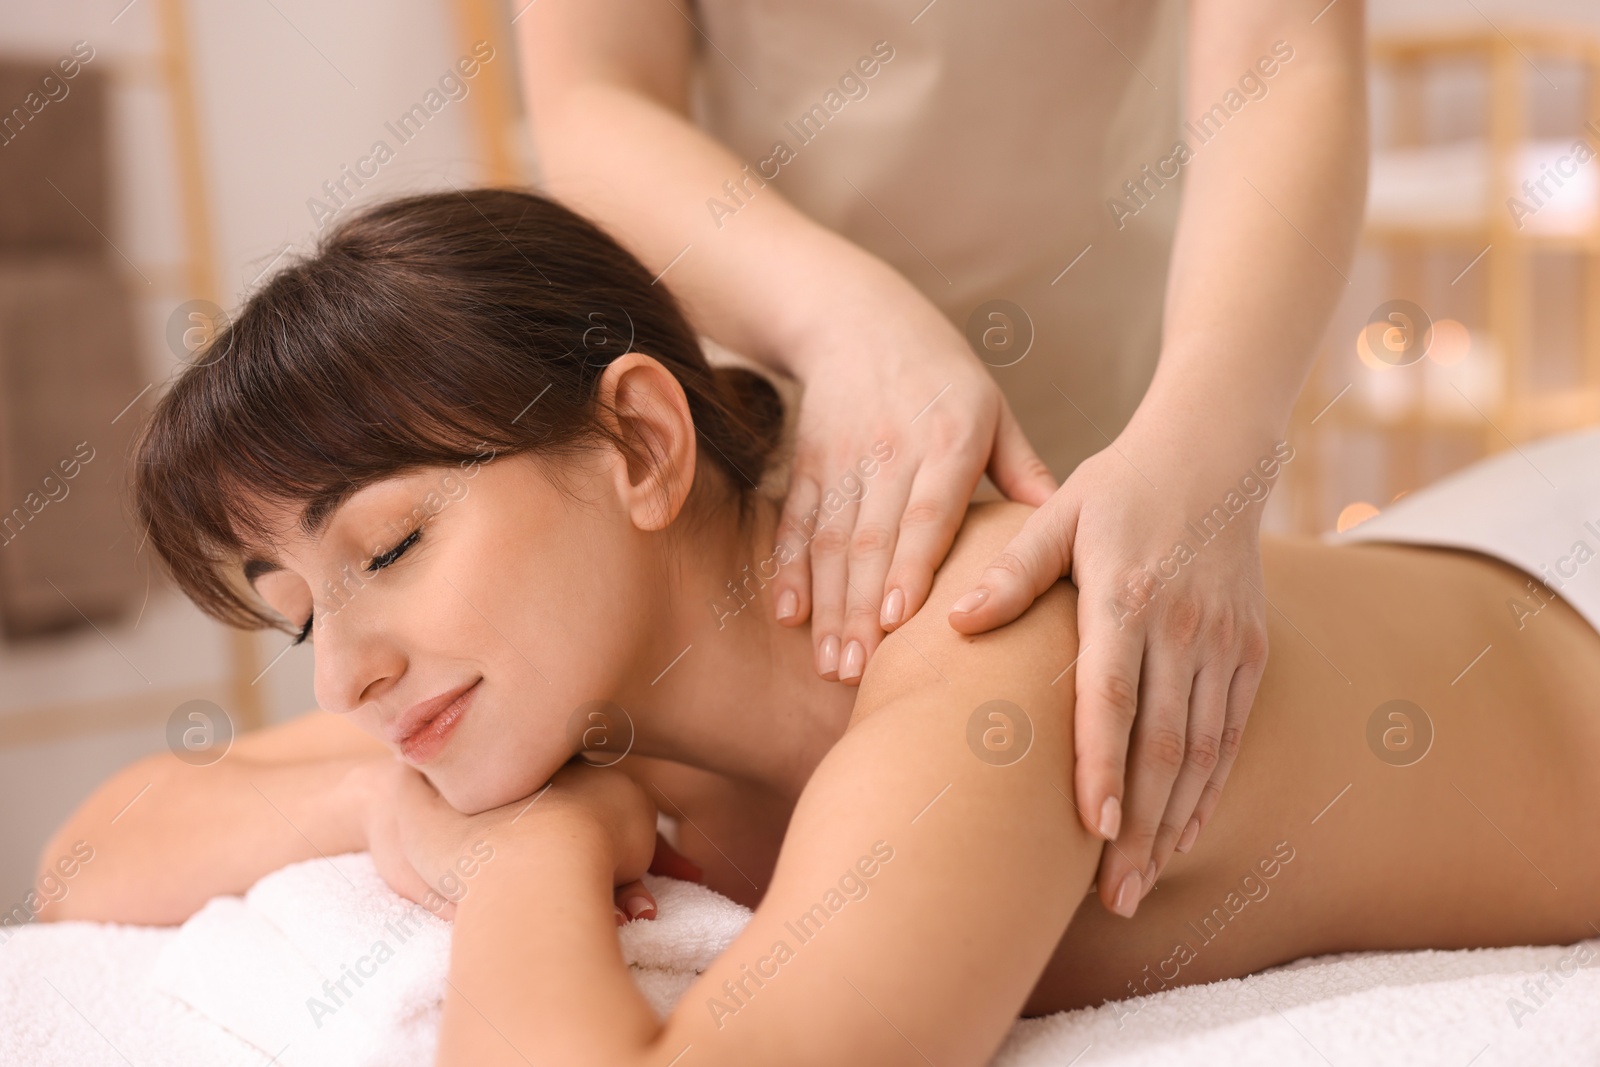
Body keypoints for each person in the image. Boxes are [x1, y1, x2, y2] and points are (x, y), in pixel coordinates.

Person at [42, 191, 1599, 1066]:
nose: (347, 669)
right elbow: (92, 855)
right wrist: (402, 804)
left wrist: (517, 865)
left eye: (387, 546)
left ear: (643, 446)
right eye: (297, 607)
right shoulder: (559, 701)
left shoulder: (991, 654)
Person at [515, 0, 1370, 913]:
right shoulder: (630, 725)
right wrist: (838, 319)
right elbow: (593, 94)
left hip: (1150, 409)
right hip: (781, 407)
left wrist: (1209, 443)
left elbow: (1285, 53)